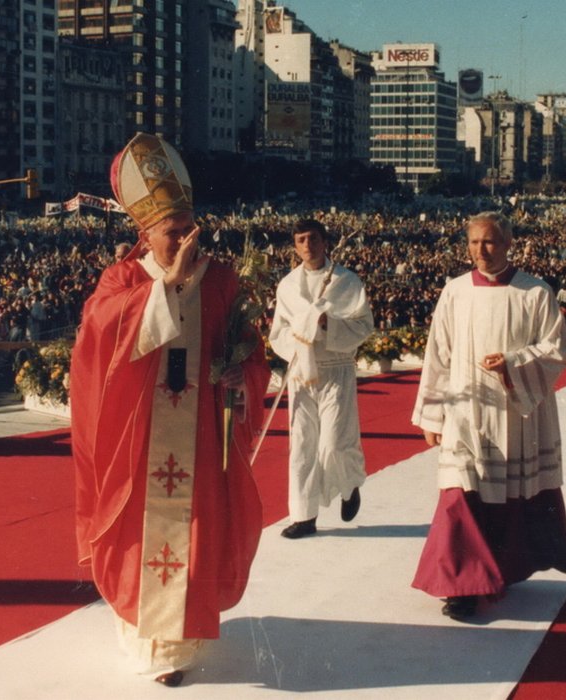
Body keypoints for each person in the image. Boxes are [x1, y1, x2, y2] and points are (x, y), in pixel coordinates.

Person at [70, 133, 269, 687]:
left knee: (196, 532)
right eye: (171, 232)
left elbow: (250, 351)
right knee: (141, 537)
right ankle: (146, 641)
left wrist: (241, 373)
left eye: (189, 228)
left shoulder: (222, 279)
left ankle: (176, 648)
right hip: (139, 439)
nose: (183, 240)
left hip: (201, 434)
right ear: (146, 233)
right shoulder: (124, 278)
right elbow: (98, 337)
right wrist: (170, 285)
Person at [411, 212, 566, 620]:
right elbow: (438, 353)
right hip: (463, 408)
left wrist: (512, 364)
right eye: (473, 242)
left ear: (508, 244)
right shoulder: (455, 291)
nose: (480, 251)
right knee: (458, 491)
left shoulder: (534, 292)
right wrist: (432, 414)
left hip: (513, 412)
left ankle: (497, 569)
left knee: (503, 494)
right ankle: (460, 587)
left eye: (488, 242)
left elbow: (556, 350)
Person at [268, 218, 374, 539]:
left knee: (334, 443)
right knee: (302, 445)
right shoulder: (288, 286)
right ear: (294, 246)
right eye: (300, 240)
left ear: (324, 241)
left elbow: (364, 326)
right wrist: (299, 343)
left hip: (335, 367)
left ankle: (349, 485)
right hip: (302, 370)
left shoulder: (346, 281)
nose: (307, 245)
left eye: (313, 238)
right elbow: (278, 333)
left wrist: (328, 324)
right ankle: (304, 516)